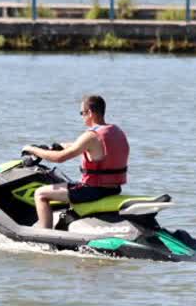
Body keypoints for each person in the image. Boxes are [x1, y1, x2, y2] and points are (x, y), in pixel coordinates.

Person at [20, 94, 129, 230]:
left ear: (89, 112)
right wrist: (58, 146)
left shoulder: (91, 135)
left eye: (82, 113)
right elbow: (84, 147)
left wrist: (33, 149)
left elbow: (59, 158)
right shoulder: (115, 131)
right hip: (113, 188)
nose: (82, 117)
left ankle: (45, 235)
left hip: (92, 190)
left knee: (40, 194)